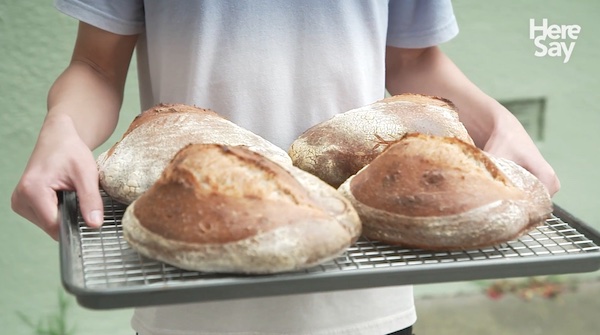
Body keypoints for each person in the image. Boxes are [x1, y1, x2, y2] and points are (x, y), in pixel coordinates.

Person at [11, 1, 560, 334]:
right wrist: (61, 126)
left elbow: (414, 59)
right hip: (191, 293)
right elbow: (95, 64)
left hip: (365, 291)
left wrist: (494, 122)